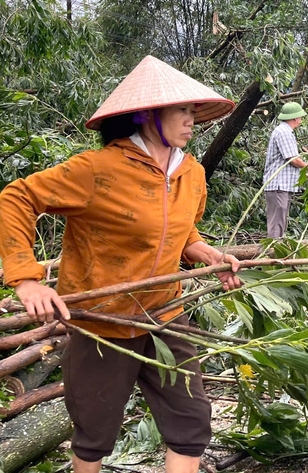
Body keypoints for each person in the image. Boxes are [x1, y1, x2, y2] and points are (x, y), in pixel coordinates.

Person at [0, 55, 242, 473]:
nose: (192, 120)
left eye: (193, 111)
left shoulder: (192, 174)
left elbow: (184, 232)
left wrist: (208, 255)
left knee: (191, 421)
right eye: (182, 110)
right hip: (102, 321)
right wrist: (26, 279)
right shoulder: (98, 170)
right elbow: (16, 198)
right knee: (94, 434)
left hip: (164, 315)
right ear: (147, 114)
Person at [263, 102, 308, 238]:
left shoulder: (285, 131)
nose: (301, 120)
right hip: (278, 185)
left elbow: (287, 163)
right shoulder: (284, 132)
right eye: (300, 117)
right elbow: (292, 159)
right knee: (277, 222)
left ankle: (277, 250)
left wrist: (305, 175)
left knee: (280, 221)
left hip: (282, 185)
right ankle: (273, 252)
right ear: (295, 118)